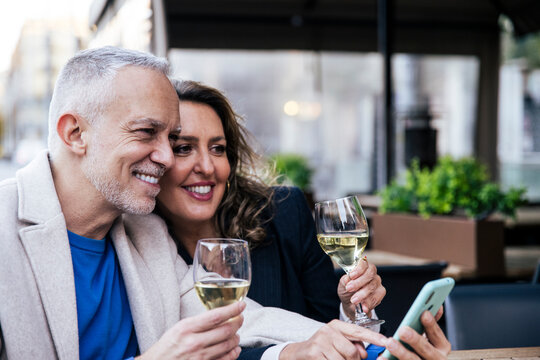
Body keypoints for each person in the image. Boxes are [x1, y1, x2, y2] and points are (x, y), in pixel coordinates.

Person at [0, 46, 320, 360]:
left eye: (170, 138)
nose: (166, 157)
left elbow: (235, 317)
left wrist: (320, 342)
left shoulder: (147, 231)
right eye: (146, 132)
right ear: (74, 133)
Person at [142, 79, 451, 359]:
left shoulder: (283, 214)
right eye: (183, 149)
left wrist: (348, 307)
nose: (207, 167)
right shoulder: (139, 251)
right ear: (155, 161)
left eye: (218, 149)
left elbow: (323, 327)